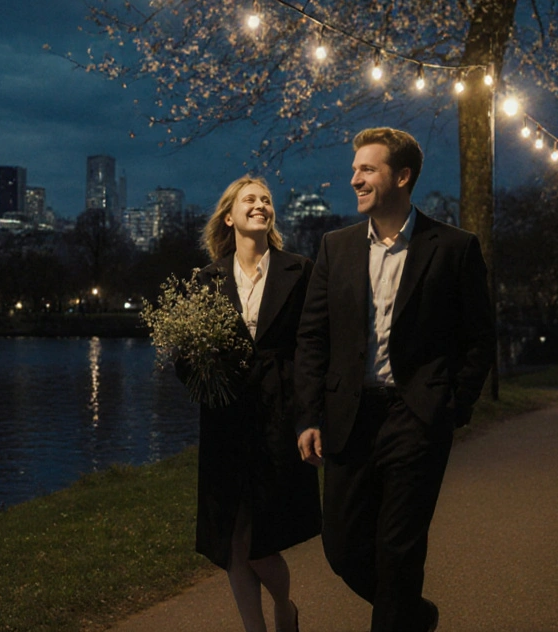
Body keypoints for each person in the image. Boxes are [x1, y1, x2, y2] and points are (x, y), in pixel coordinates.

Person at [295, 128, 495, 632]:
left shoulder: (453, 248)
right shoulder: (334, 247)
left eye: (367, 169)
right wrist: (309, 416)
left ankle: (398, 614)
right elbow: (313, 339)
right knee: (341, 548)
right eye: (355, 168)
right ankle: (414, 614)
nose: (354, 178)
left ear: (402, 176)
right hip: (349, 418)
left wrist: (452, 408)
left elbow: (479, 339)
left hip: (416, 418)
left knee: (399, 551)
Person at [181, 175, 321, 632]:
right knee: (233, 543)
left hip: (278, 415)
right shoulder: (207, 279)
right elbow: (187, 357)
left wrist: (308, 417)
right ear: (230, 216)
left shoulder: (299, 270)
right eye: (249, 199)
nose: (259, 204)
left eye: (265, 199)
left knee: (262, 541)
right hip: (225, 422)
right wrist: (203, 374)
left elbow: (311, 349)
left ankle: (285, 606)